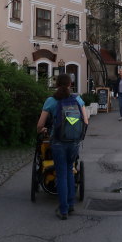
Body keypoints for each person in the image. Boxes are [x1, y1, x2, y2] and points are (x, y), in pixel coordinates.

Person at [36, 74, 88, 220]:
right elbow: (85, 121)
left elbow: (40, 125)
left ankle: (63, 209)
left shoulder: (51, 101)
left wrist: (45, 129)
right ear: (71, 85)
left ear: (57, 84)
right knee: (70, 171)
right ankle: (70, 204)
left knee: (61, 174)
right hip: (74, 142)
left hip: (58, 142)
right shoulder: (77, 99)